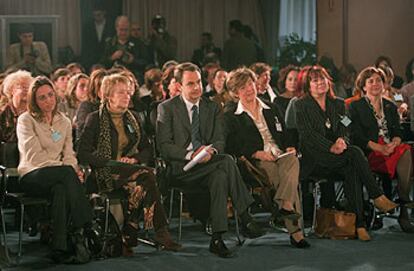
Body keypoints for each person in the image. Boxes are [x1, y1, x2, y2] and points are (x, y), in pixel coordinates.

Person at [156, 62, 264, 258]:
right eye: (190, 84)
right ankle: (245, 216)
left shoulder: (212, 107)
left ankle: (217, 239)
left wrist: (211, 152)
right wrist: (191, 155)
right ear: (179, 86)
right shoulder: (167, 108)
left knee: (221, 175)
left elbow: (219, 139)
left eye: (198, 82)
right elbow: (164, 146)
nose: (197, 87)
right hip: (181, 169)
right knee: (227, 162)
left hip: (209, 165)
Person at [77, 73, 181, 253]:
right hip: (104, 172)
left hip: (131, 171)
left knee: (142, 180)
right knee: (147, 175)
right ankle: (154, 231)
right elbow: (83, 152)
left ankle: (131, 228)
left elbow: (148, 149)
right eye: (121, 93)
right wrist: (111, 162)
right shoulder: (95, 118)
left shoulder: (133, 117)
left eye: (128, 92)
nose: (127, 96)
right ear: (108, 95)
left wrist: (134, 159)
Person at [295, 65, 398, 241]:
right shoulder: (301, 105)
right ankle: (376, 196)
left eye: (323, 78)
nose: (320, 82)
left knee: (353, 166)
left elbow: (347, 126)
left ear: (329, 81)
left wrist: (342, 140)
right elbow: (308, 135)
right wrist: (330, 146)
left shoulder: (339, 104)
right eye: (315, 80)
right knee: (355, 154)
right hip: (315, 160)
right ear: (307, 85)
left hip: (340, 157)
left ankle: (359, 225)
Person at [224, 67, 310, 248]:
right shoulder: (231, 116)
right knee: (287, 179)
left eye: (250, 84)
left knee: (292, 160)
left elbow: (286, 133)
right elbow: (231, 145)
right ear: (235, 93)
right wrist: (256, 152)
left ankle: (283, 206)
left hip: (281, 155)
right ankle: (296, 232)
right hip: (256, 162)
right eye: (242, 88)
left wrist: (289, 146)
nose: (249, 89)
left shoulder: (271, 107)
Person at [16, 76, 92, 263]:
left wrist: (71, 167)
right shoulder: (26, 120)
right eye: (42, 98)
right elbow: (36, 158)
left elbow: (68, 154)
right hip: (31, 175)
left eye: (51, 95)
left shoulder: (64, 121)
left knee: (61, 190)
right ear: (34, 101)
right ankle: (85, 226)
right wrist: (69, 170)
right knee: (66, 174)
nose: (48, 100)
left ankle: (59, 247)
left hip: (58, 177)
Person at [349, 66, 414, 233]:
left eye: (378, 80)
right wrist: (379, 147)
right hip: (370, 151)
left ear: (384, 84)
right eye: (370, 81)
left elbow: (398, 131)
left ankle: (403, 203)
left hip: (391, 148)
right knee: (404, 152)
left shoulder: (390, 106)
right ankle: (404, 207)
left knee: (405, 149)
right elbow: (355, 135)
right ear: (363, 86)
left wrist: (395, 141)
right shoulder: (355, 106)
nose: (375, 84)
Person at [101, 16, 150, 83]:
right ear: (116, 28)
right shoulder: (109, 43)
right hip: (112, 79)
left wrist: (133, 60)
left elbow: (147, 63)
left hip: (134, 79)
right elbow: (101, 63)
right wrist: (112, 57)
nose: (123, 33)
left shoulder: (139, 44)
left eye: (126, 30)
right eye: (121, 30)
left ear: (129, 29)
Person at [0, 70, 33, 142]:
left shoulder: (36, 113)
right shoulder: (2, 115)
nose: (28, 91)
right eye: (24, 87)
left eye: (30, 88)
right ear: (11, 90)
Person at [81, 3, 115, 70]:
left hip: (107, 61)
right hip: (91, 61)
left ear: (104, 13)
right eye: (95, 15)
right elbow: (85, 46)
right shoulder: (87, 26)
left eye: (99, 15)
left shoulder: (111, 26)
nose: (96, 17)